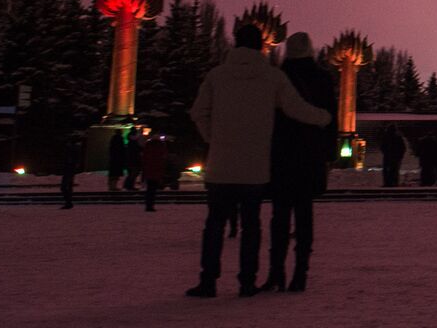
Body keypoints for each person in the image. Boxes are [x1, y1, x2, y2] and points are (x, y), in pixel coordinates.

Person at [186, 21, 331, 298]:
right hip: (255, 166)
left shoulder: (217, 76)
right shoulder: (271, 77)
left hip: (221, 165)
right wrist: (323, 117)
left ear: (235, 43)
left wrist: (212, 139)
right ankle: (247, 282)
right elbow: (295, 108)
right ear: (260, 45)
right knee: (251, 226)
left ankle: (208, 281)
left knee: (214, 223)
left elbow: (198, 112)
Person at [266, 32, 335, 292]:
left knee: (279, 216)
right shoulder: (322, 78)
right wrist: (329, 153)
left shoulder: (277, 76)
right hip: (310, 156)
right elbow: (331, 117)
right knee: (305, 216)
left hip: (281, 154)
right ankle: (300, 274)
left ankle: (276, 271)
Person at [141, 131, 172, 212]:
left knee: (150, 189)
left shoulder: (149, 145)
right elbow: (164, 157)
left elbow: (145, 157)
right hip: (156, 170)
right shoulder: (161, 146)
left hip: (150, 170)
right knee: (153, 189)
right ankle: (150, 205)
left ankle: (149, 205)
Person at [59, 131, 84, 209]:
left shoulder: (73, 148)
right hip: (69, 167)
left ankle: (68, 202)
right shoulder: (74, 147)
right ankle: (68, 202)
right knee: (67, 186)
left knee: (65, 186)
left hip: (69, 167)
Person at [106, 125, 127, 193]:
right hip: (118, 159)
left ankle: (112, 186)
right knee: (115, 173)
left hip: (114, 158)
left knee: (113, 173)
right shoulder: (120, 139)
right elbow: (122, 149)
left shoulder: (113, 139)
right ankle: (113, 186)